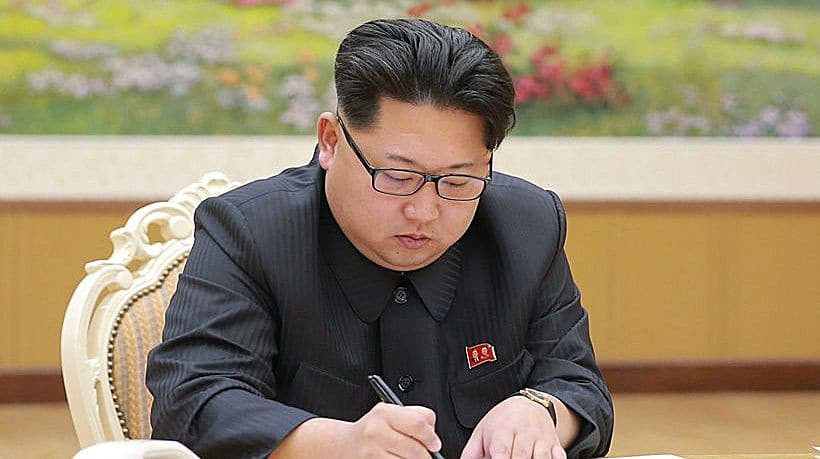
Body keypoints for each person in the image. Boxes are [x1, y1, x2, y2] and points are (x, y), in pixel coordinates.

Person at [147, 18, 613, 459]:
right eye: (397, 176)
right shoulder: (249, 230)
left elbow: (578, 384)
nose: (424, 212)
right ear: (331, 141)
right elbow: (192, 401)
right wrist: (339, 443)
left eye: (458, 181)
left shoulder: (528, 224)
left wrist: (541, 412)